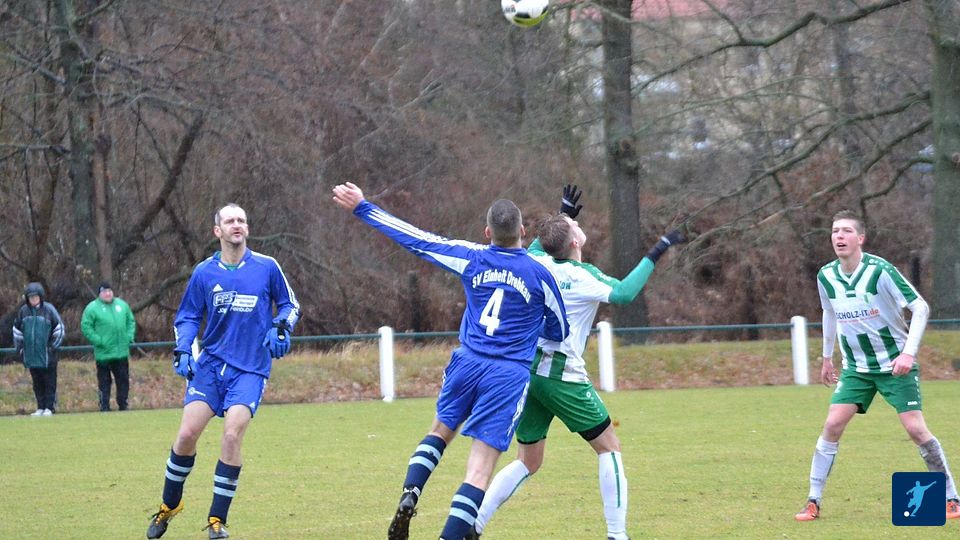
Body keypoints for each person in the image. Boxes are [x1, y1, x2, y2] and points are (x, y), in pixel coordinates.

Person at [331, 182, 569, 540]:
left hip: (467, 362)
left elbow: (416, 239)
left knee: (439, 433)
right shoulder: (541, 275)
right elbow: (560, 329)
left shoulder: (471, 257)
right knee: (479, 470)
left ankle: (411, 492)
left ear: (487, 232)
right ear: (523, 231)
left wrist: (363, 207)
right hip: (507, 374)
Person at [471, 186, 684, 540]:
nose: (577, 227)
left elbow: (540, 244)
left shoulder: (536, 261)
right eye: (574, 227)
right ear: (573, 242)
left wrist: (563, 213)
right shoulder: (584, 277)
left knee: (528, 460)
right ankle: (617, 535)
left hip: (529, 373)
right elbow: (625, 293)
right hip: (563, 377)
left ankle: (474, 524)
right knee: (609, 447)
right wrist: (658, 249)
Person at [146, 203, 300, 539]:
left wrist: (281, 327)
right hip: (211, 365)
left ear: (247, 228)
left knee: (232, 435)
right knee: (186, 435)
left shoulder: (267, 267)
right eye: (230, 221)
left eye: (241, 220)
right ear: (218, 231)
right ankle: (169, 505)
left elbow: (290, 305)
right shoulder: (204, 272)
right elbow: (187, 316)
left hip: (250, 369)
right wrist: (183, 349)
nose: (236, 225)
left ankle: (217, 520)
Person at [794, 210, 960, 521]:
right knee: (832, 425)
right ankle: (813, 501)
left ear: (860, 238)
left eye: (846, 231)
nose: (839, 236)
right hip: (856, 368)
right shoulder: (826, 276)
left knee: (915, 429)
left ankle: (952, 497)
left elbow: (921, 308)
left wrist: (908, 353)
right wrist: (827, 357)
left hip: (895, 365)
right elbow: (829, 312)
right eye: (835, 231)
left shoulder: (880, 271)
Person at [81, 282, 136, 411]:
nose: (107, 294)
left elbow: (131, 322)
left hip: (121, 352)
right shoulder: (92, 308)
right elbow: (86, 326)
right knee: (104, 382)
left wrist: (128, 337)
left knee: (123, 380)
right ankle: (104, 406)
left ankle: (123, 404)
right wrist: (99, 341)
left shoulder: (122, 305)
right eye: (104, 291)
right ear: (99, 294)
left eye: (109, 291)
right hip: (103, 354)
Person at [12, 282, 65, 416]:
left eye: (36, 297)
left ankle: (49, 407)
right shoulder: (23, 311)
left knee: (49, 382)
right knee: (37, 383)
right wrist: (21, 349)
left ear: (41, 297)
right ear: (27, 298)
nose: (34, 299)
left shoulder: (49, 310)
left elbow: (59, 329)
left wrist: (52, 348)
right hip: (31, 354)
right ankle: (40, 407)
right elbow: (17, 331)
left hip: (47, 355)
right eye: (31, 297)